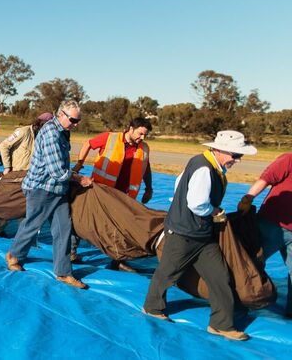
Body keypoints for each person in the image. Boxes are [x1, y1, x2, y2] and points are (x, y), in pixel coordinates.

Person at [143, 130, 256, 341]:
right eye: (236, 156)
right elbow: (196, 203)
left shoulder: (205, 163)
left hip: (202, 236)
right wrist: (215, 212)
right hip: (184, 233)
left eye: (239, 156)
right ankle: (152, 307)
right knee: (168, 273)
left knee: (220, 276)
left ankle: (221, 325)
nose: (237, 161)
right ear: (221, 150)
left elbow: (179, 183)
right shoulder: (204, 168)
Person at [5, 100, 93, 289]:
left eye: (78, 121)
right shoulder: (51, 134)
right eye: (73, 120)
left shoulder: (64, 130)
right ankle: (14, 255)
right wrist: (79, 179)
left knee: (63, 229)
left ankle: (63, 272)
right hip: (41, 188)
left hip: (58, 189)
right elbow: (57, 171)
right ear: (61, 114)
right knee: (32, 224)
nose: (76, 124)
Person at [72, 117, 154, 272]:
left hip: (124, 195)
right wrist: (79, 164)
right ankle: (71, 252)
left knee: (121, 227)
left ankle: (118, 260)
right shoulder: (110, 138)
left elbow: (146, 167)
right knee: (84, 219)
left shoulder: (144, 147)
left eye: (145, 135)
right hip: (100, 191)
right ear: (130, 128)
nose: (142, 138)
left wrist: (149, 188)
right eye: (140, 134)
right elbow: (88, 144)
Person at [237, 152, 292, 317]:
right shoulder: (289, 159)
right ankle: (238, 299)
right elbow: (267, 178)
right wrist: (248, 198)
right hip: (272, 224)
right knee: (252, 263)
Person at [0, 112, 53, 235]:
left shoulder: (44, 137)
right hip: (17, 175)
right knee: (12, 205)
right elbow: (4, 145)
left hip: (32, 177)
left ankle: (23, 236)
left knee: (26, 207)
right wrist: (7, 167)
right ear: (41, 124)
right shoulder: (23, 132)